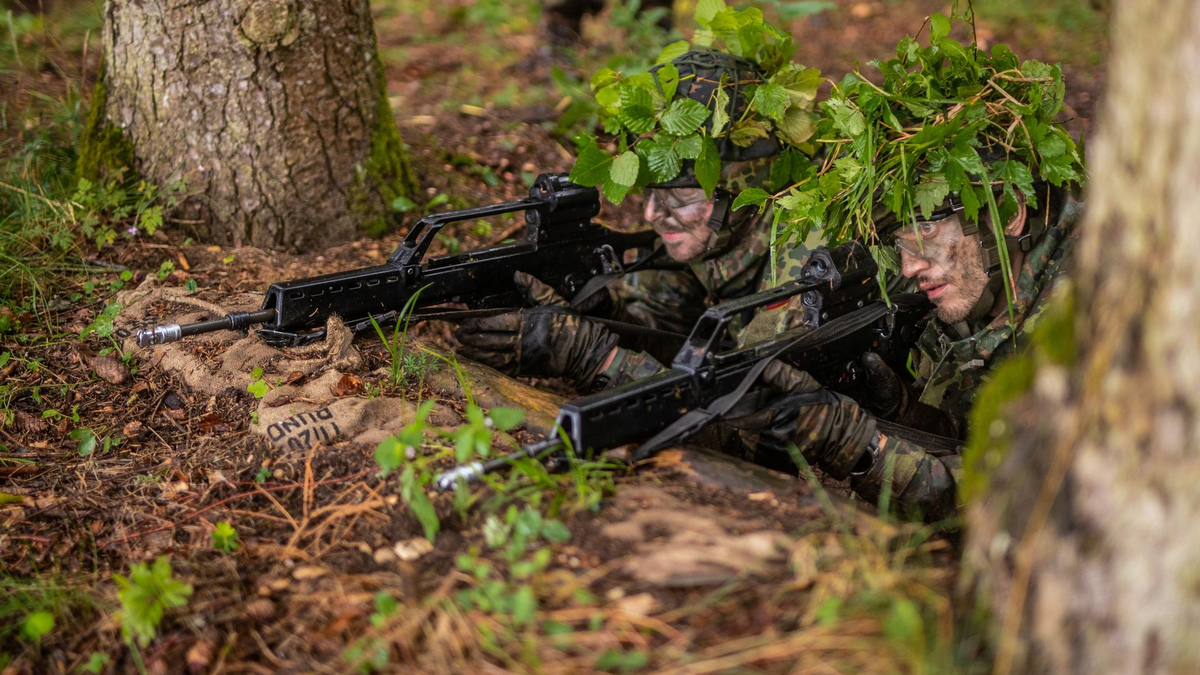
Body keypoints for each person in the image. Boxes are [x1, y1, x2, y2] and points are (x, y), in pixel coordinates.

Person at [454, 50, 820, 392]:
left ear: (744, 186)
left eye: (681, 196)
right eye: (649, 193)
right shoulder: (715, 237)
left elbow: (759, 420)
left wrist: (595, 358)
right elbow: (669, 331)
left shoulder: (800, 255)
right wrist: (602, 315)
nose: (651, 214)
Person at [726, 180, 1083, 521]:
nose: (909, 267)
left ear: (1007, 213)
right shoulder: (971, 301)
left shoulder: (1094, 306)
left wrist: (855, 444)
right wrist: (906, 415)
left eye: (926, 230)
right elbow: (982, 439)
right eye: (900, 244)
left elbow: (1023, 504)